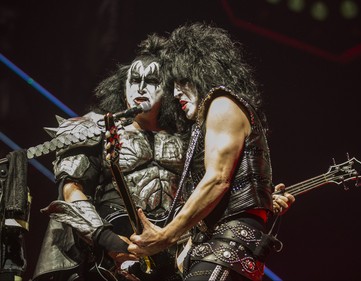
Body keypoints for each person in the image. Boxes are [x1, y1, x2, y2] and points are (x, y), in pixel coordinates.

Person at [128, 22, 295, 281]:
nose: (175, 93)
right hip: (218, 247)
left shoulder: (221, 103)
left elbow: (217, 179)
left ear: (198, 71)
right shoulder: (208, 119)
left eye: (180, 81)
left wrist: (165, 236)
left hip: (227, 246)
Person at [32, 34, 190, 281]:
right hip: (108, 252)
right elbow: (71, 190)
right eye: (135, 80)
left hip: (173, 254)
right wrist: (108, 241)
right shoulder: (95, 128)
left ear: (168, 88)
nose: (140, 88)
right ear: (122, 84)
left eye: (151, 80)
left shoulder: (187, 137)